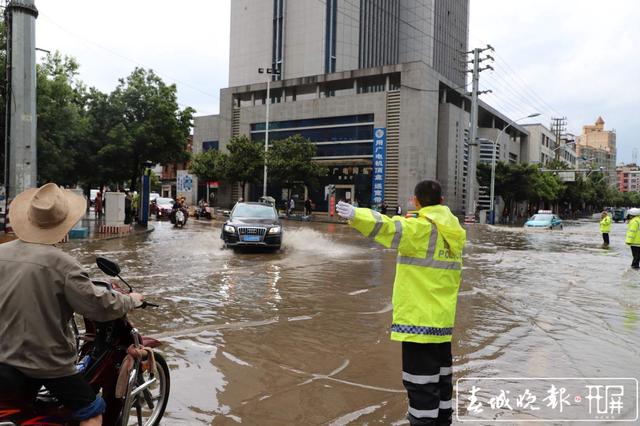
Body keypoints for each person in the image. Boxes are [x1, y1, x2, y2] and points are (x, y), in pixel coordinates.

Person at [0, 183, 144, 426]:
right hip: (46, 363)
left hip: (4, 356)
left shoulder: (2, 253)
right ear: (62, 226)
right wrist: (131, 300)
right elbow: (98, 305)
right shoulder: (64, 265)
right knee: (93, 412)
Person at [336, 180, 466, 426]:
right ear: (441, 202)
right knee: (442, 379)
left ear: (415, 201)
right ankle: (443, 421)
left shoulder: (421, 229)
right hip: (442, 321)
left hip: (418, 322)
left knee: (420, 383)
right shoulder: (454, 232)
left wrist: (356, 214)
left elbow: (387, 226)